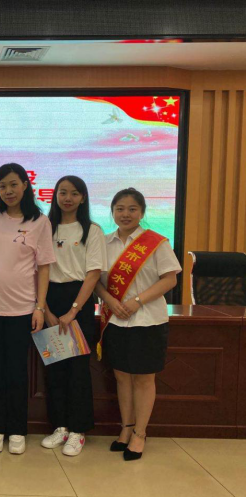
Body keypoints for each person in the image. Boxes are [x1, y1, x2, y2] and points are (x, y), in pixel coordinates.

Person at [0, 163, 56, 455]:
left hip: (22, 309)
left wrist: (40, 307)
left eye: (13, 184)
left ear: (25, 185)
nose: (8, 191)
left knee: (18, 372)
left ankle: (18, 429)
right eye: (2, 186)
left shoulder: (39, 222)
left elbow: (43, 268)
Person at [95, 188, 181, 461]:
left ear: (142, 212)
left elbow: (170, 279)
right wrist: (110, 300)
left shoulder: (156, 243)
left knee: (143, 378)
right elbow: (96, 281)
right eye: (120, 209)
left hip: (148, 320)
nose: (126, 214)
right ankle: (126, 428)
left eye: (132, 209)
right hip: (115, 321)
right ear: (112, 212)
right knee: (122, 376)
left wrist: (137, 301)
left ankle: (140, 434)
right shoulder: (103, 243)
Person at [40, 176, 107, 457]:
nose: (68, 198)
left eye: (74, 193)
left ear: (83, 197)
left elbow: (93, 274)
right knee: (54, 368)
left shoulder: (92, 230)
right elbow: (38, 270)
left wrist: (73, 311)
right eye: (63, 192)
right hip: (49, 298)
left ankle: (78, 430)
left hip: (78, 300)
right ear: (55, 195)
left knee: (78, 369)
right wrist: (45, 309)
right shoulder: (45, 227)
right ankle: (61, 426)